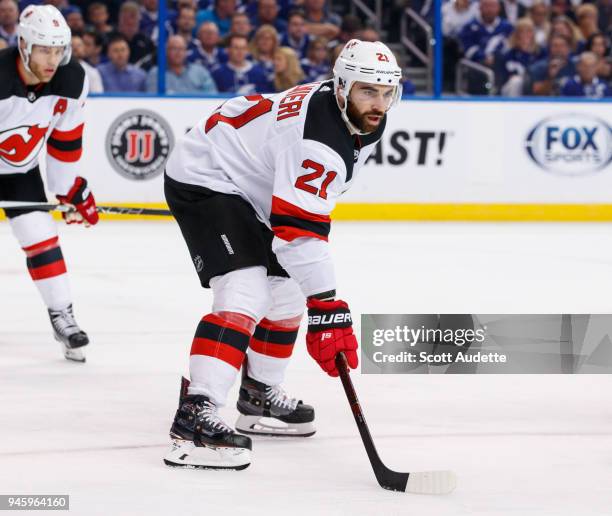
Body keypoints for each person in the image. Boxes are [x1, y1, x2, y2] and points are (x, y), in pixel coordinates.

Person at [162, 39, 402, 470]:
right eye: (369, 91)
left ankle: (258, 396)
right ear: (343, 86)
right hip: (208, 174)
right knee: (245, 291)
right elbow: (298, 232)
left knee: (288, 292)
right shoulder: (319, 136)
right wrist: (328, 306)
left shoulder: (356, 116)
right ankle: (196, 415)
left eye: (387, 93)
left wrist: (318, 299)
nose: (379, 104)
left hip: (254, 185)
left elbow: (301, 222)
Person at [0, 5, 98, 363]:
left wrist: (72, 190)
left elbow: (64, 145)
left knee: (41, 238)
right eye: (44, 49)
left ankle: (62, 316)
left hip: (20, 174)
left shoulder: (72, 80)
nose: (52, 59)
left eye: (58, 49)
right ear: (24, 45)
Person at [146, 35, 217, 94]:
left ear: (186, 51)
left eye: (181, 49)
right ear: (166, 51)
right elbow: (153, 99)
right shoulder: (155, 73)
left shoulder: (200, 72)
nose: (178, 52)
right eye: (174, 48)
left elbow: (212, 95)